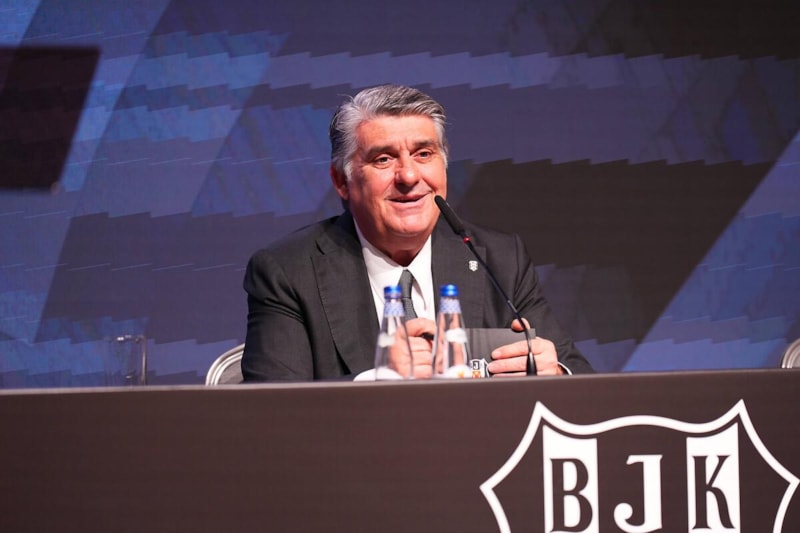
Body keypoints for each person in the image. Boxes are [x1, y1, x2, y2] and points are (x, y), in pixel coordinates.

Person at [242, 84, 594, 381]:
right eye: (383, 159)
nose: (409, 176)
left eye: (424, 154)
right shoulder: (289, 272)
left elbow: (584, 383)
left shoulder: (500, 259)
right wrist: (378, 381)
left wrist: (555, 373)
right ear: (342, 181)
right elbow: (269, 415)